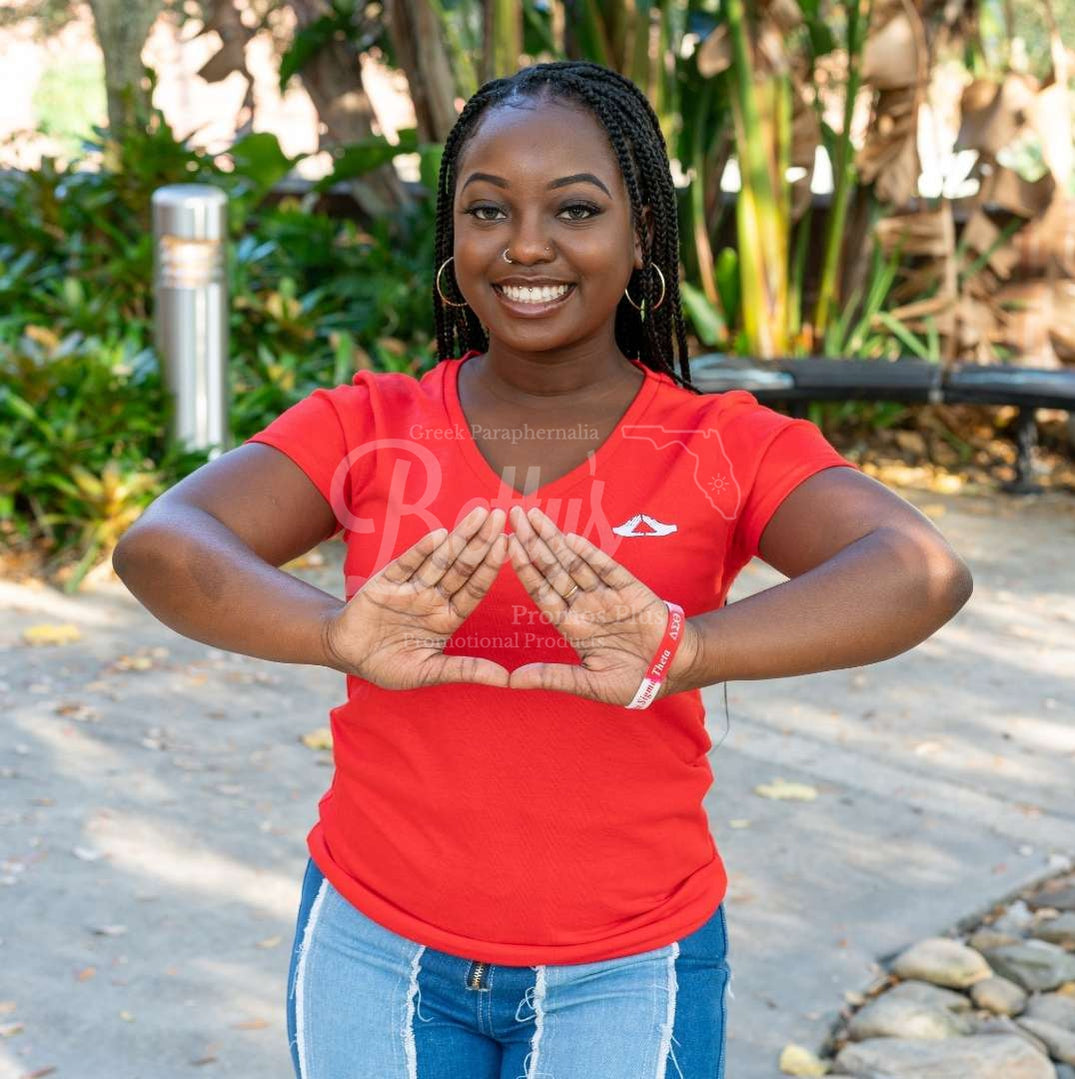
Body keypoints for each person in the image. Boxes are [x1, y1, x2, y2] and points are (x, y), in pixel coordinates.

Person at [112, 59, 974, 1079]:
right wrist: (327, 633)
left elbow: (917, 570)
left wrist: (689, 648)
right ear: (452, 239)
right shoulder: (370, 423)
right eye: (487, 210)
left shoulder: (718, 442)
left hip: (626, 960)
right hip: (372, 945)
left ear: (640, 233)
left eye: (574, 208)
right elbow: (165, 541)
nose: (525, 244)